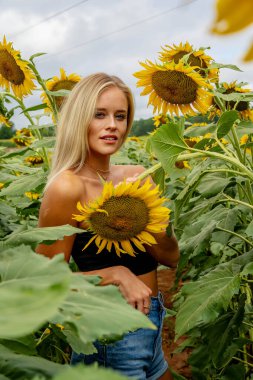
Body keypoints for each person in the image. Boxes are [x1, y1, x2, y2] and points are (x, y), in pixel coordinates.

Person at [37, 73, 180, 380]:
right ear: (78, 118)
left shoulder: (138, 175)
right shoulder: (67, 188)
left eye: (121, 116)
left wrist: (148, 212)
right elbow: (43, 281)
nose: (112, 125)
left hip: (152, 319)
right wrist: (115, 274)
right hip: (111, 330)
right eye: (99, 114)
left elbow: (170, 257)